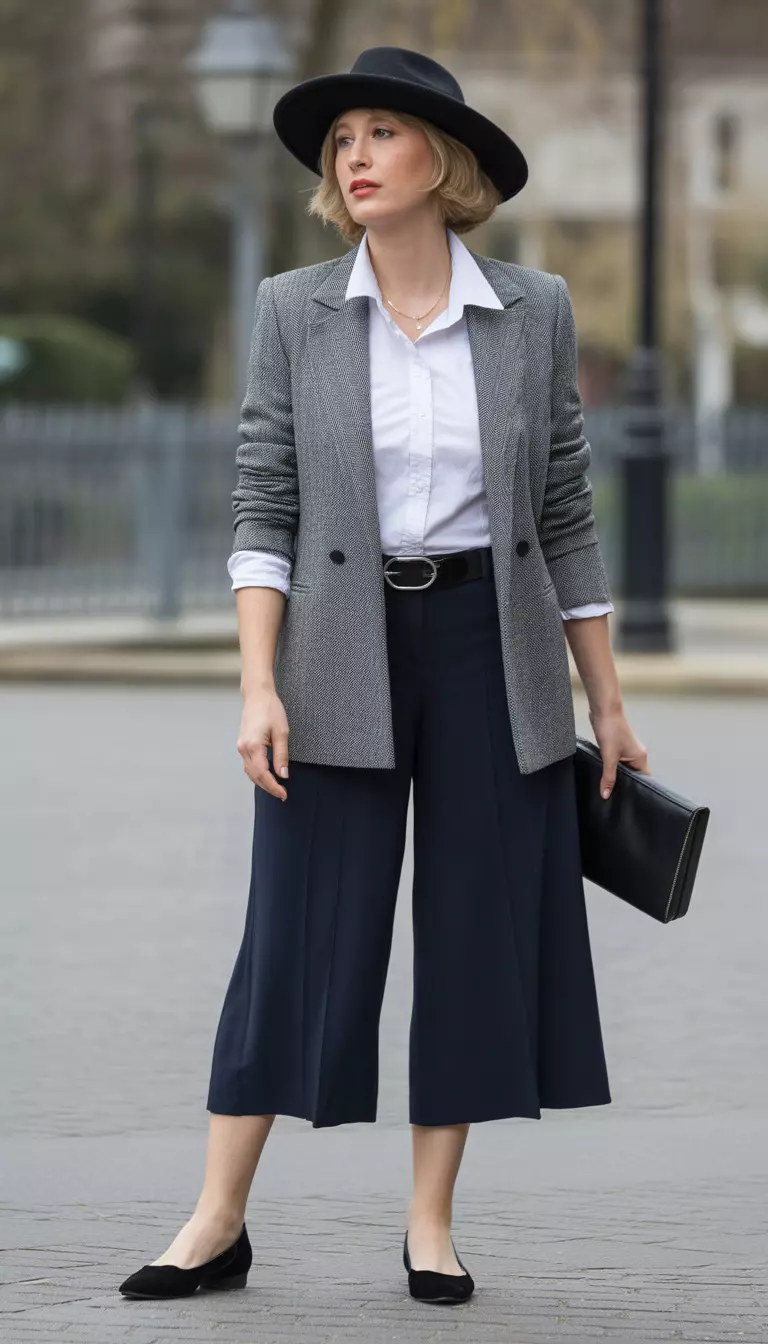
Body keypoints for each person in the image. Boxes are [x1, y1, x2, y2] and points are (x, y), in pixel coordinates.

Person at [119, 45, 650, 1307]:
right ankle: (215, 1218)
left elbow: (566, 511)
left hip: (490, 650)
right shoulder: (293, 309)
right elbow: (264, 502)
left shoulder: (535, 309)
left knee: (473, 932)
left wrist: (609, 699)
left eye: (381, 134)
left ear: (444, 163)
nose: (353, 156)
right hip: (337, 650)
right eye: (340, 137)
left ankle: (429, 1226)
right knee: (298, 929)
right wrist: (258, 684)